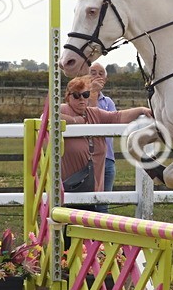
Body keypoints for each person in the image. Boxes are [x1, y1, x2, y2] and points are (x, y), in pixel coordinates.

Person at [60, 75, 150, 195]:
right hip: (69, 187)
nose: (81, 99)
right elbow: (47, 116)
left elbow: (118, 116)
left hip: (95, 186)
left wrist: (141, 110)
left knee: (99, 210)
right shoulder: (63, 109)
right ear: (68, 97)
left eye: (85, 95)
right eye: (76, 95)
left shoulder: (94, 113)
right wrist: (76, 121)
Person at [87, 63, 116, 214]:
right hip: (86, 160)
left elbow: (113, 126)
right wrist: (92, 93)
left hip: (108, 159)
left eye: (101, 73)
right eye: (93, 72)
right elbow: (91, 120)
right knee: (86, 204)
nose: (97, 76)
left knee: (103, 204)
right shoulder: (80, 99)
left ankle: (102, 237)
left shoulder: (108, 102)